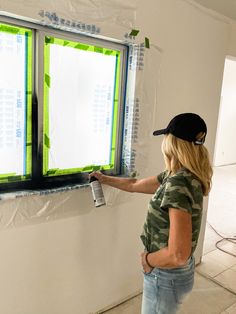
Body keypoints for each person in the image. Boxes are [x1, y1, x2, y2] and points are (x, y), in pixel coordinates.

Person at [90, 113, 213, 314]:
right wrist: (104, 179)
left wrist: (147, 260)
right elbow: (135, 184)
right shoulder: (181, 175)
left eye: (166, 137)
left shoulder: (177, 184)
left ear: (173, 143)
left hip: (166, 275)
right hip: (176, 274)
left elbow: (178, 254)